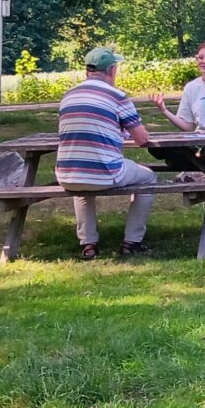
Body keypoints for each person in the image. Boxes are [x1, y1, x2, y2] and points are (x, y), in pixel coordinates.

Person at [56, 45, 158, 260]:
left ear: (88, 71)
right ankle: (132, 241)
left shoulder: (68, 95)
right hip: (105, 172)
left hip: (67, 174)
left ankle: (88, 244)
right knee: (148, 177)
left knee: (82, 185)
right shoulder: (117, 96)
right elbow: (141, 139)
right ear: (112, 70)